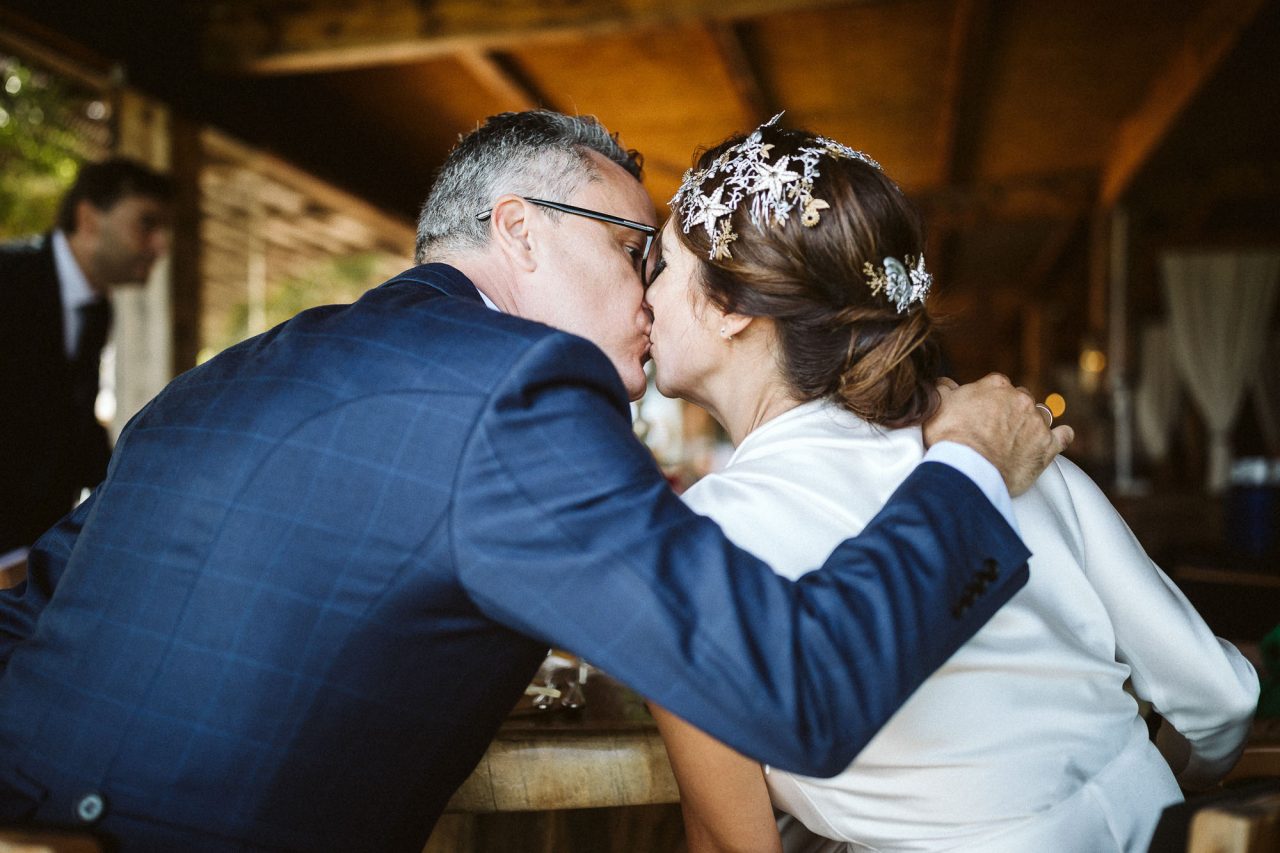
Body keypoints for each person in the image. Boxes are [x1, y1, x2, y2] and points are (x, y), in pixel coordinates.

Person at [0, 111, 1066, 853]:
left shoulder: (221, 378)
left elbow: (36, 607)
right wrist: (965, 466)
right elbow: (792, 689)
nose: (654, 291)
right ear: (518, 229)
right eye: (636, 250)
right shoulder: (517, 385)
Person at [644, 116, 1260, 853]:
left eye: (660, 269)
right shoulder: (1010, 450)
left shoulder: (701, 537)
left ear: (728, 307)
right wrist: (1123, 785)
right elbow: (1222, 696)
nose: (643, 298)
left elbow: (729, 843)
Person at [0, 158, 173, 558]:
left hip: (33, 550)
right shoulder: (8, 281)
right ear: (89, 219)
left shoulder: (98, 309)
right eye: (147, 224)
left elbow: (70, 425)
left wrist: (132, 501)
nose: (161, 246)